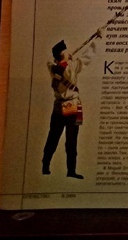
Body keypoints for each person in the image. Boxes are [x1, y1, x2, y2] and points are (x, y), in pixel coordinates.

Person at [42, 36, 96, 179]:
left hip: (59, 106)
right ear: (62, 54)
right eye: (66, 52)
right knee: (70, 140)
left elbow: (53, 63)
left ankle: (46, 166)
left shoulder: (52, 66)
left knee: (54, 137)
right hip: (71, 105)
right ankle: (70, 171)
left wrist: (65, 59)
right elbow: (87, 57)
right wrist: (97, 39)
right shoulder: (71, 68)